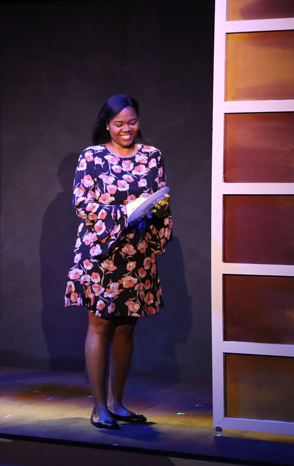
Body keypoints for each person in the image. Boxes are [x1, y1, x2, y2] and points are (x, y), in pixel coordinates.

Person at [65, 94, 172, 430]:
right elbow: (82, 203)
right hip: (101, 254)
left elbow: (161, 199)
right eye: (119, 124)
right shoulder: (92, 157)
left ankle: (117, 402)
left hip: (136, 254)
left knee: (127, 328)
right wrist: (122, 213)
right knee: (100, 326)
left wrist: (154, 214)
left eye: (132, 122)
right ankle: (99, 407)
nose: (127, 130)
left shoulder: (152, 156)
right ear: (107, 125)